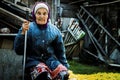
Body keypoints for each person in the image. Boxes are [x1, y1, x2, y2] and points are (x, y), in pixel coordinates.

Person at [14, 2, 69, 80]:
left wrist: (65, 66)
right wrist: (22, 33)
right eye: (38, 13)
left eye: (44, 13)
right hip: (34, 61)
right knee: (43, 75)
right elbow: (18, 50)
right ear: (34, 15)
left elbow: (60, 51)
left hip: (51, 62)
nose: (41, 16)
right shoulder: (28, 28)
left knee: (63, 74)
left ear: (48, 15)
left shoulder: (54, 30)